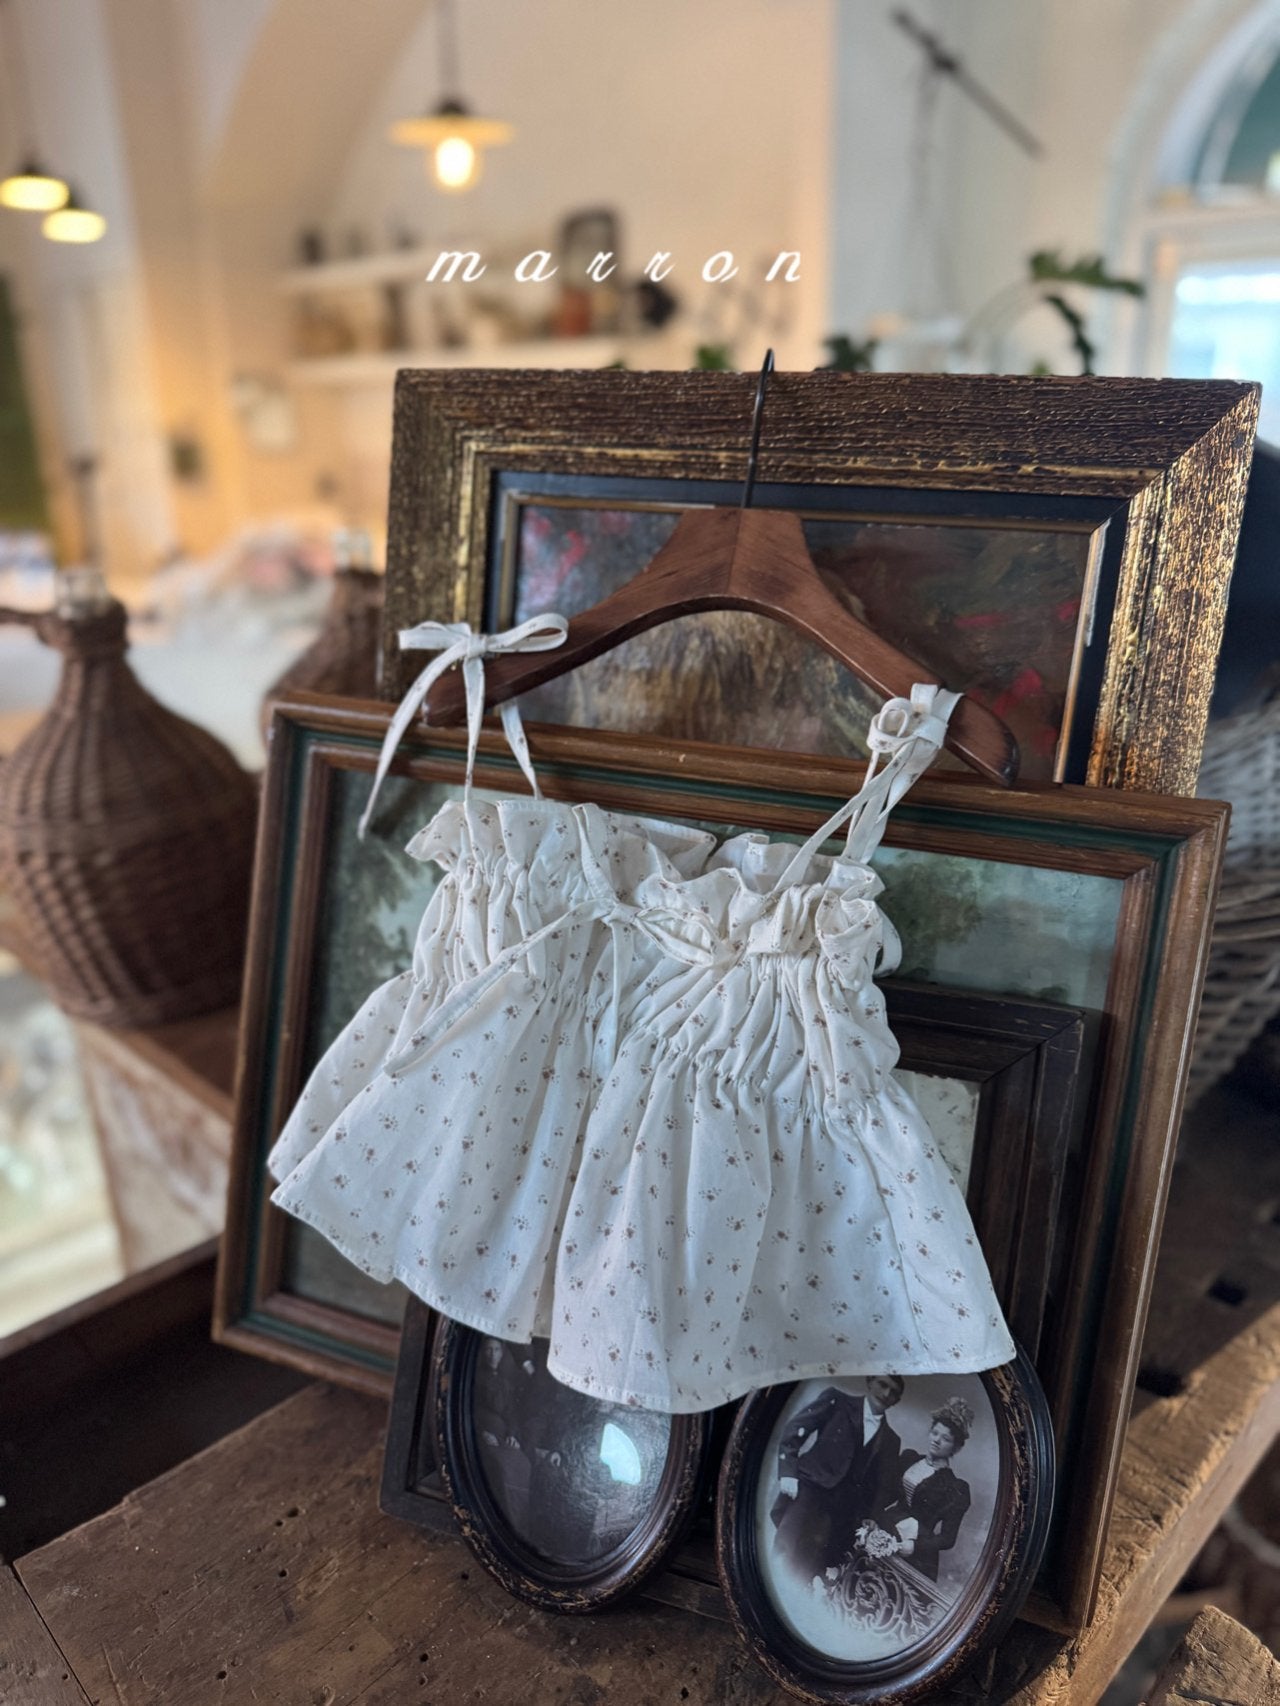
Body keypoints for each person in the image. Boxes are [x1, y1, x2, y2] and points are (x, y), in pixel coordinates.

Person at [770, 1375, 905, 1583]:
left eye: (894, 1392)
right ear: (869, 1381)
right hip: (809, 1492)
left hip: (841, 1511)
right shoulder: (837, 1401)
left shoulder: (891, 1440)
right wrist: (788, 1472)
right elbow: (794, 1430)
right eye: (882, 1384)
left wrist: (871, 1516)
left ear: (897, 1401)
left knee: (811, 1565)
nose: (886, 1394)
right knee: (786, 1549)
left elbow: (882, 1485)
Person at [876, 1396, 974, 1582]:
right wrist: (873, 1516)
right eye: (935, 1433)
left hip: (916, 1551)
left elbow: (947, 1538)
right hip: (887, 1529)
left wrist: (915, 1546)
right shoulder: (909, 1459)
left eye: (945, 1439)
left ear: (956, 1448)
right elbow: (887, 1496)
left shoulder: (956, 1488)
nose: (937, 1440)